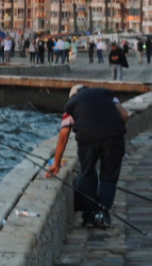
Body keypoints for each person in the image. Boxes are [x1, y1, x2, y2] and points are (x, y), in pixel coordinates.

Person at [48, 85, 131, 228]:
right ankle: (102, 215)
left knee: (87, 174)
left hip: (88, 139)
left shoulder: (71, 105)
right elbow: (125, 115)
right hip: (114, 138)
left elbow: (63, 137)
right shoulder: (108, 94)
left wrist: (56, 164)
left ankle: (89, 218)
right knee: (109, 177)